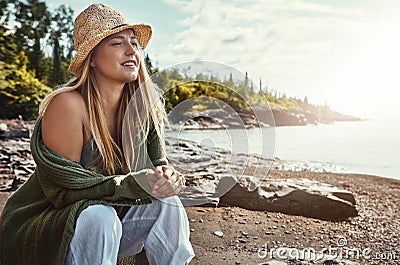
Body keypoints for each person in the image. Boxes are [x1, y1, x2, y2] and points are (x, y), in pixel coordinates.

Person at [0, 3, 194, 265]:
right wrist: (134, 183)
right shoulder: (68, 105)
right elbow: (63, 194)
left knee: (167, 204)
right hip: (46, 227)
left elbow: (158, 166)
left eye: (134, 43)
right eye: (116, 43)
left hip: (106, 225)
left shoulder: (140, 109)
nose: (131, 51)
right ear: (91, 58)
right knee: (98, 216)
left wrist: (168, 179)